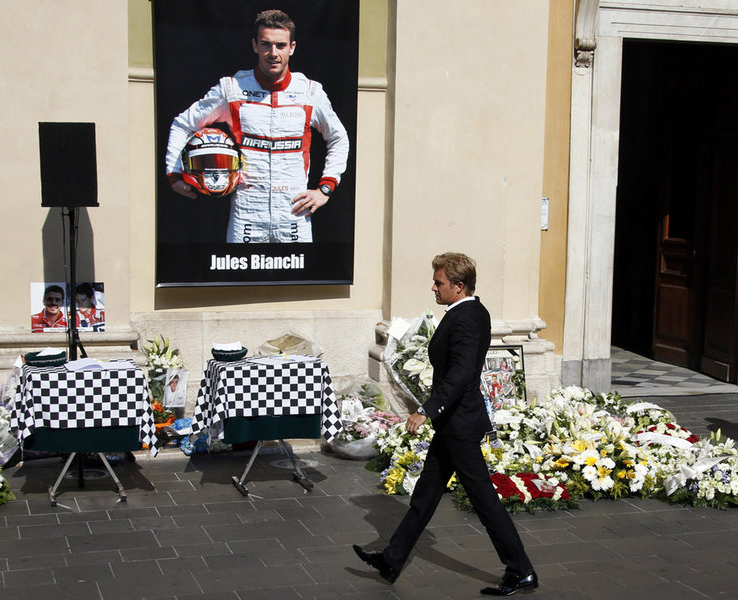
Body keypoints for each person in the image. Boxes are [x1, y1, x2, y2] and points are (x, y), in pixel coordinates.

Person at [353, 252, 538, 596]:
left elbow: (461, 373)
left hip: (459, 425)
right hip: (454, 424)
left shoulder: (466, 317)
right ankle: (392, 559)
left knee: (484, 500)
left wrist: (427, 410)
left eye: (439, 283)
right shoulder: (470, 311)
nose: (433, 288)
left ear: (458, 285)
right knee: (426, 493)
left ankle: (521, 569)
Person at [165, 9, 350, 243]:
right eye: (266, 44)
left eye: (281, 45)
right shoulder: (231, 89)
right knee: (241, 280)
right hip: (247, 212)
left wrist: (325, 188)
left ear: (292, 47)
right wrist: (174, 174)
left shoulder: (310, 92)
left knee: (299, 280)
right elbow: (183, 124)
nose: (273, 53)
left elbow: (338, 137)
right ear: (255, 45)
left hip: (294, 212)